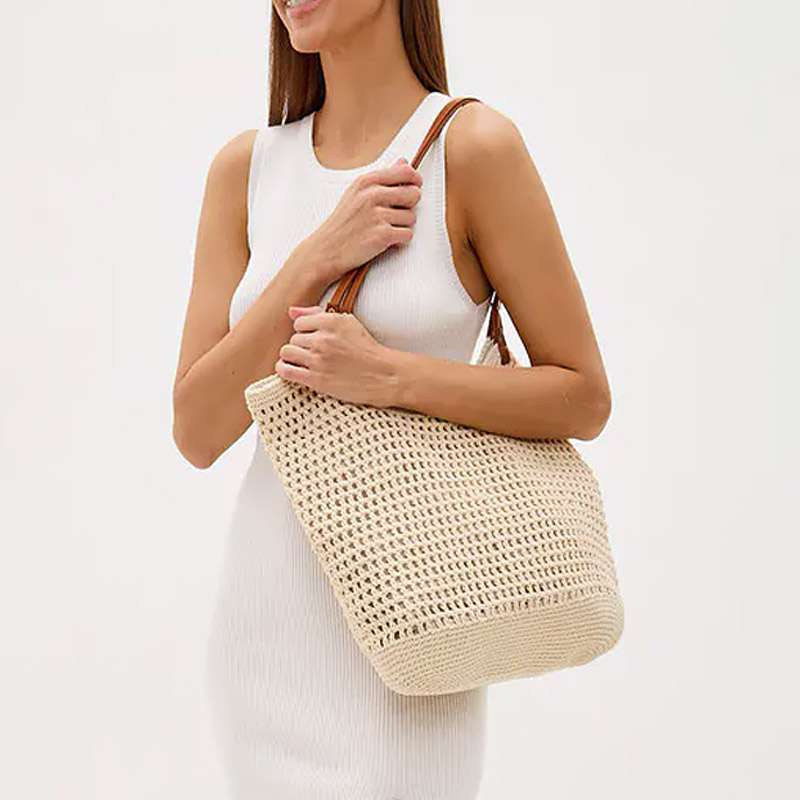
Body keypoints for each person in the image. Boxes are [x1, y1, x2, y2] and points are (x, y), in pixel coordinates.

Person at [172, 1, 612, 797]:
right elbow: (197, 430)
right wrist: (316, 257)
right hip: (261, 639)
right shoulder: (245, 171)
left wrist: (390, 377)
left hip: (414, 642)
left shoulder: (470, 149)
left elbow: (582, 397)